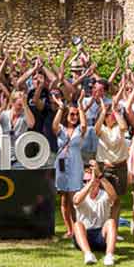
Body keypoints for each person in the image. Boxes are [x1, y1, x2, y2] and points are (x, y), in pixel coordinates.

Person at [71, 160, 119, 266]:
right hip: (84, 236)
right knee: (77, 225)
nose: (87, 183)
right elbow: (76, 201)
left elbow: (115, 198)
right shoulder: (80, 194)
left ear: (98, 181)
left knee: (111, 222)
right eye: (85, 181)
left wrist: (100, 176)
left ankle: (109, 256)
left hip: (101, 236)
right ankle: (88, 254)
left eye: (90, 180)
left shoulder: (104, 194)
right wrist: (90, 184)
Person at [51, 100, 87, 239]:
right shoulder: (61, 129)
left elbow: (84, 125)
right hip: (61, 164)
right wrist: (61, 108)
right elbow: (54, 126)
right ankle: (69, 230)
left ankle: (78, 228)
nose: (74, 117)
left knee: (73, 198)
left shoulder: (79, 130)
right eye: (72, 114)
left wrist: (81, 108)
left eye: (76, 115)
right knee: (64, 199)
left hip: (75, 165)